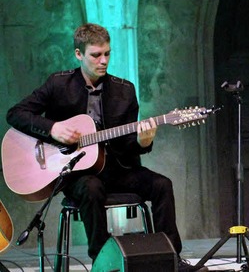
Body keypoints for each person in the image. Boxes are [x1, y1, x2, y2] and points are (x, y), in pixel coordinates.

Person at [6, 23, 205, 272]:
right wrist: (53, 128)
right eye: (96, 55)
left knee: (162, 185)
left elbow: (128, 146)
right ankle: (104, 263)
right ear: (79, 54)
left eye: (107, 54)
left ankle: (172, 260)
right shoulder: (58, 85)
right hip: (77, 174)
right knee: (91, 187)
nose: (103, 61)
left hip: (119, 169)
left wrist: (143, 143)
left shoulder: (125, 90)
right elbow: (15, 114)